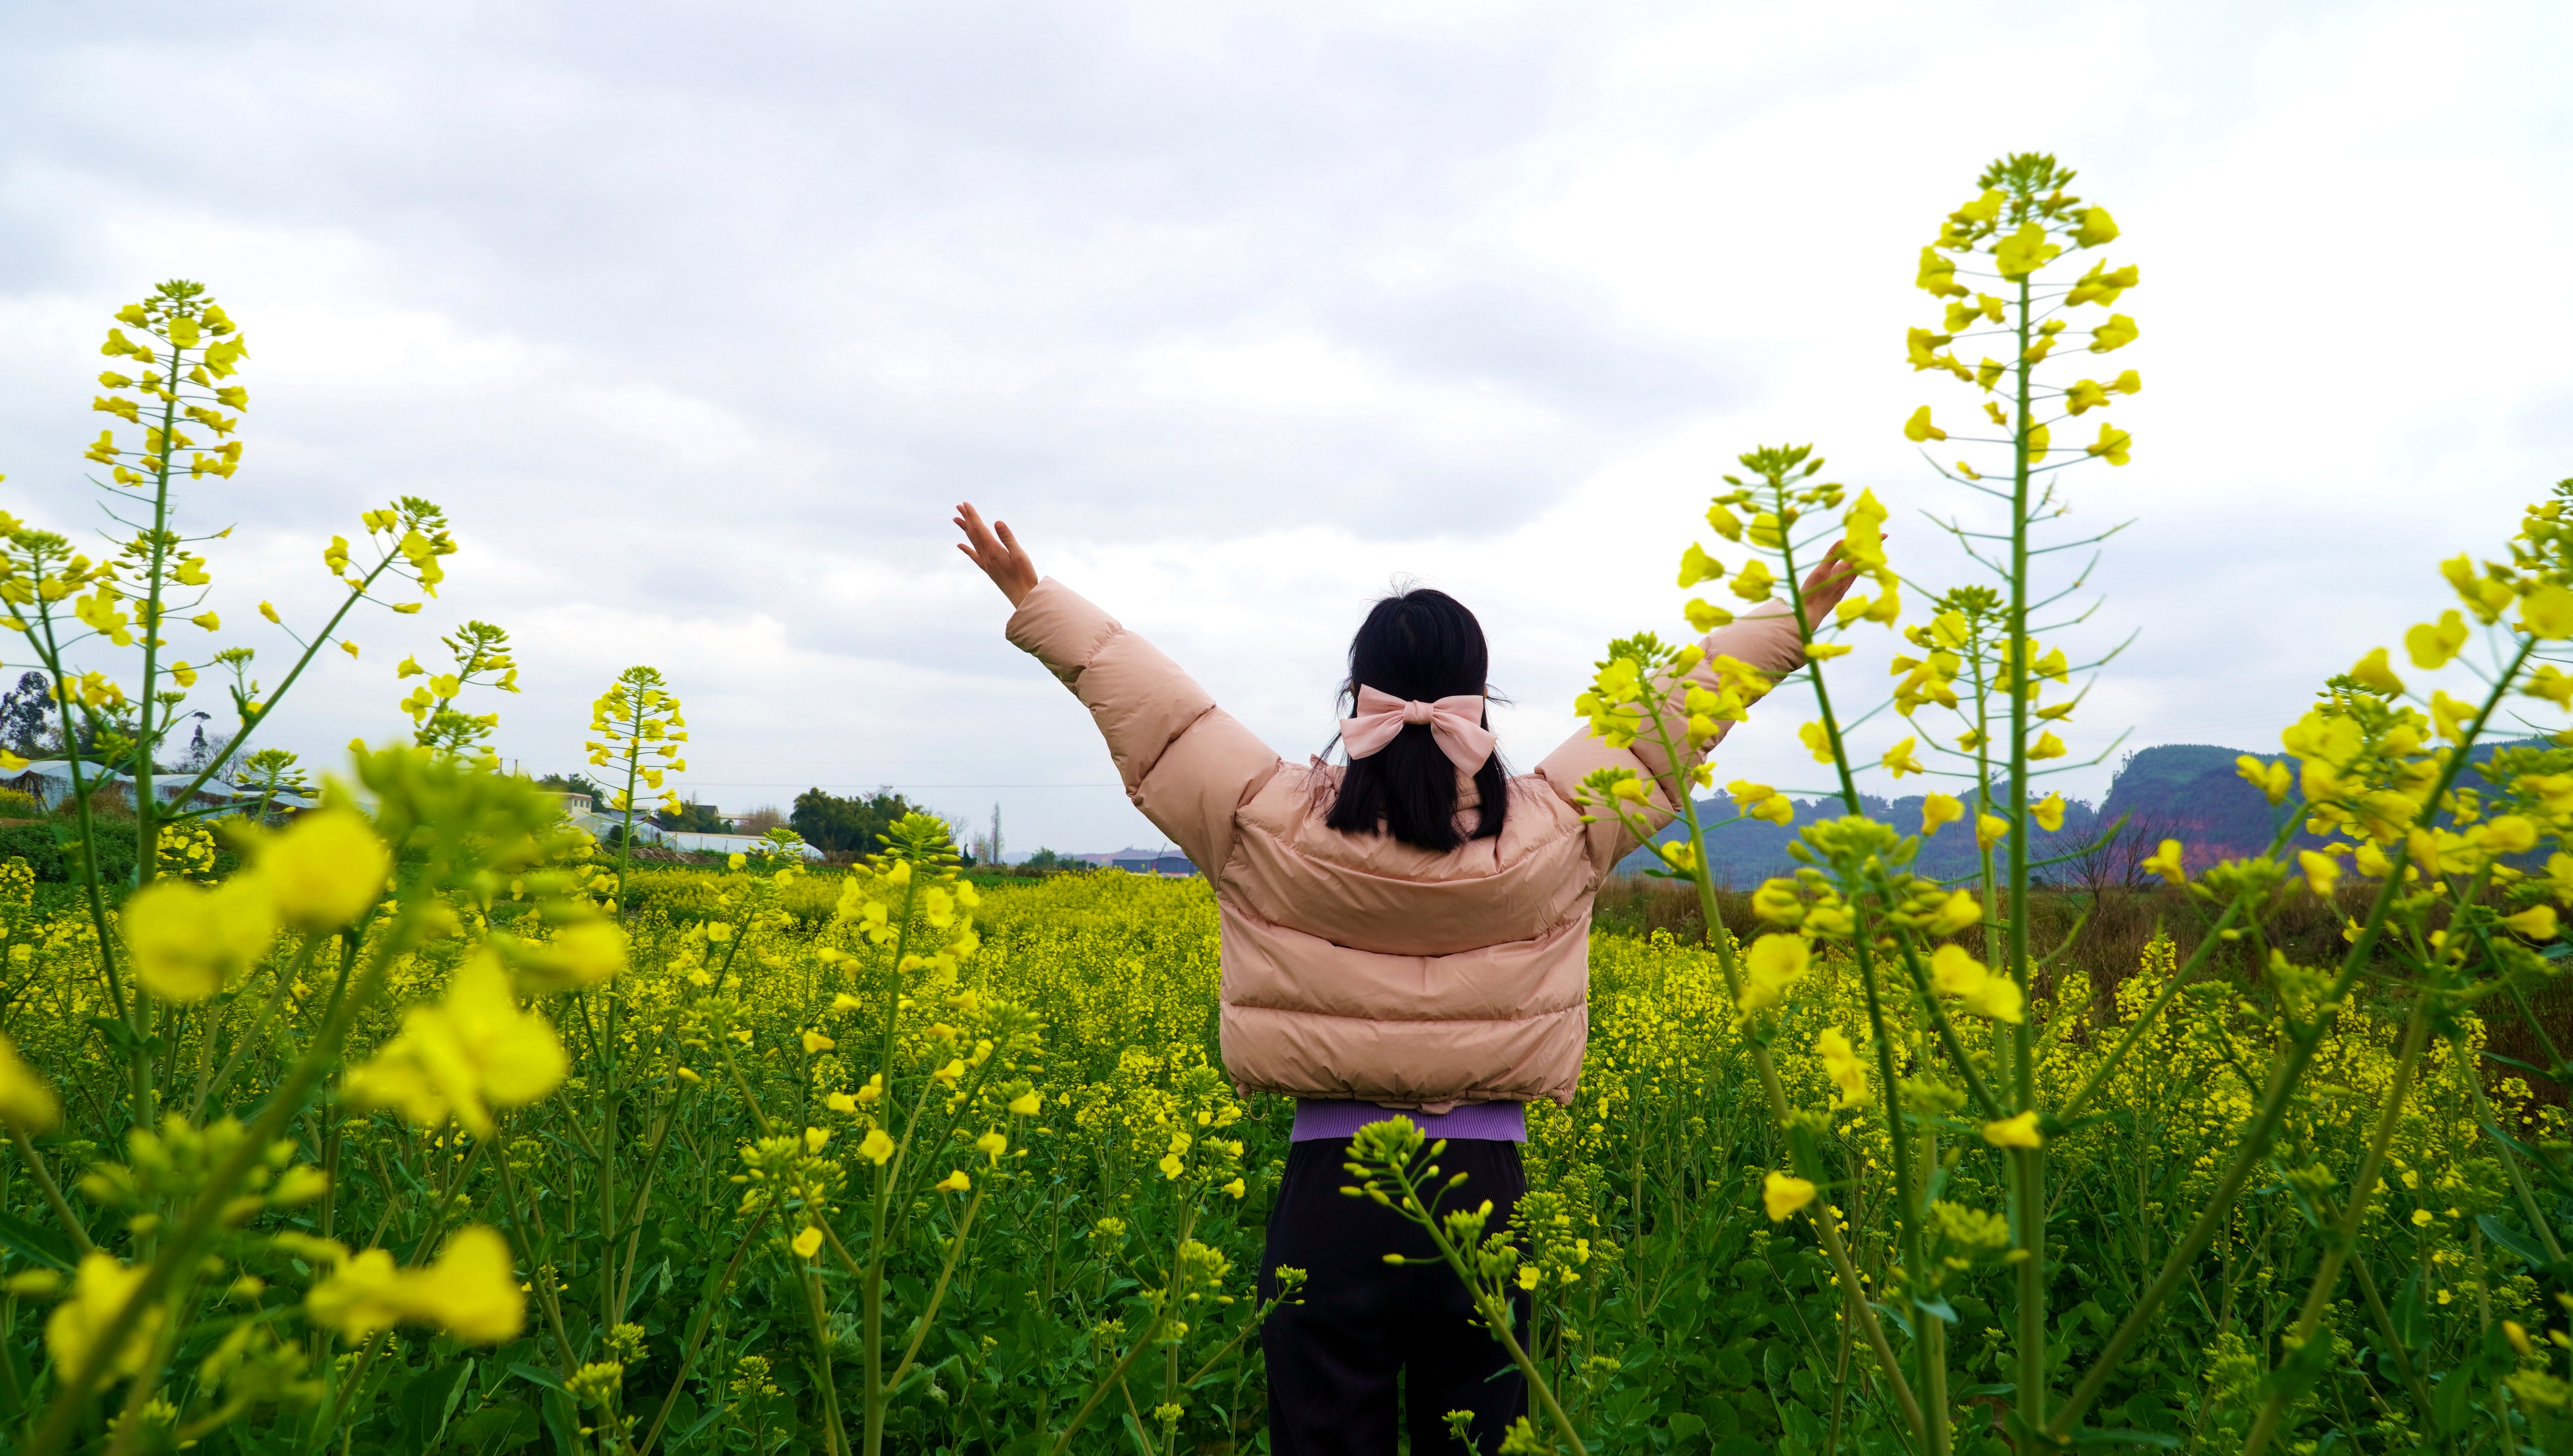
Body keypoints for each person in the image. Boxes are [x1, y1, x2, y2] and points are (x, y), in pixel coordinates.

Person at [952, 502, 1851, 1454]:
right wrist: (1787, 623)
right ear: (1480, 697)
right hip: (1488, 1191)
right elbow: (1669, 716)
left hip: (1330, 1198)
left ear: (1359, 695)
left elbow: (1167, 717)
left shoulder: (1268, 822)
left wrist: (1037, 600)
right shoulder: (1555, 829)